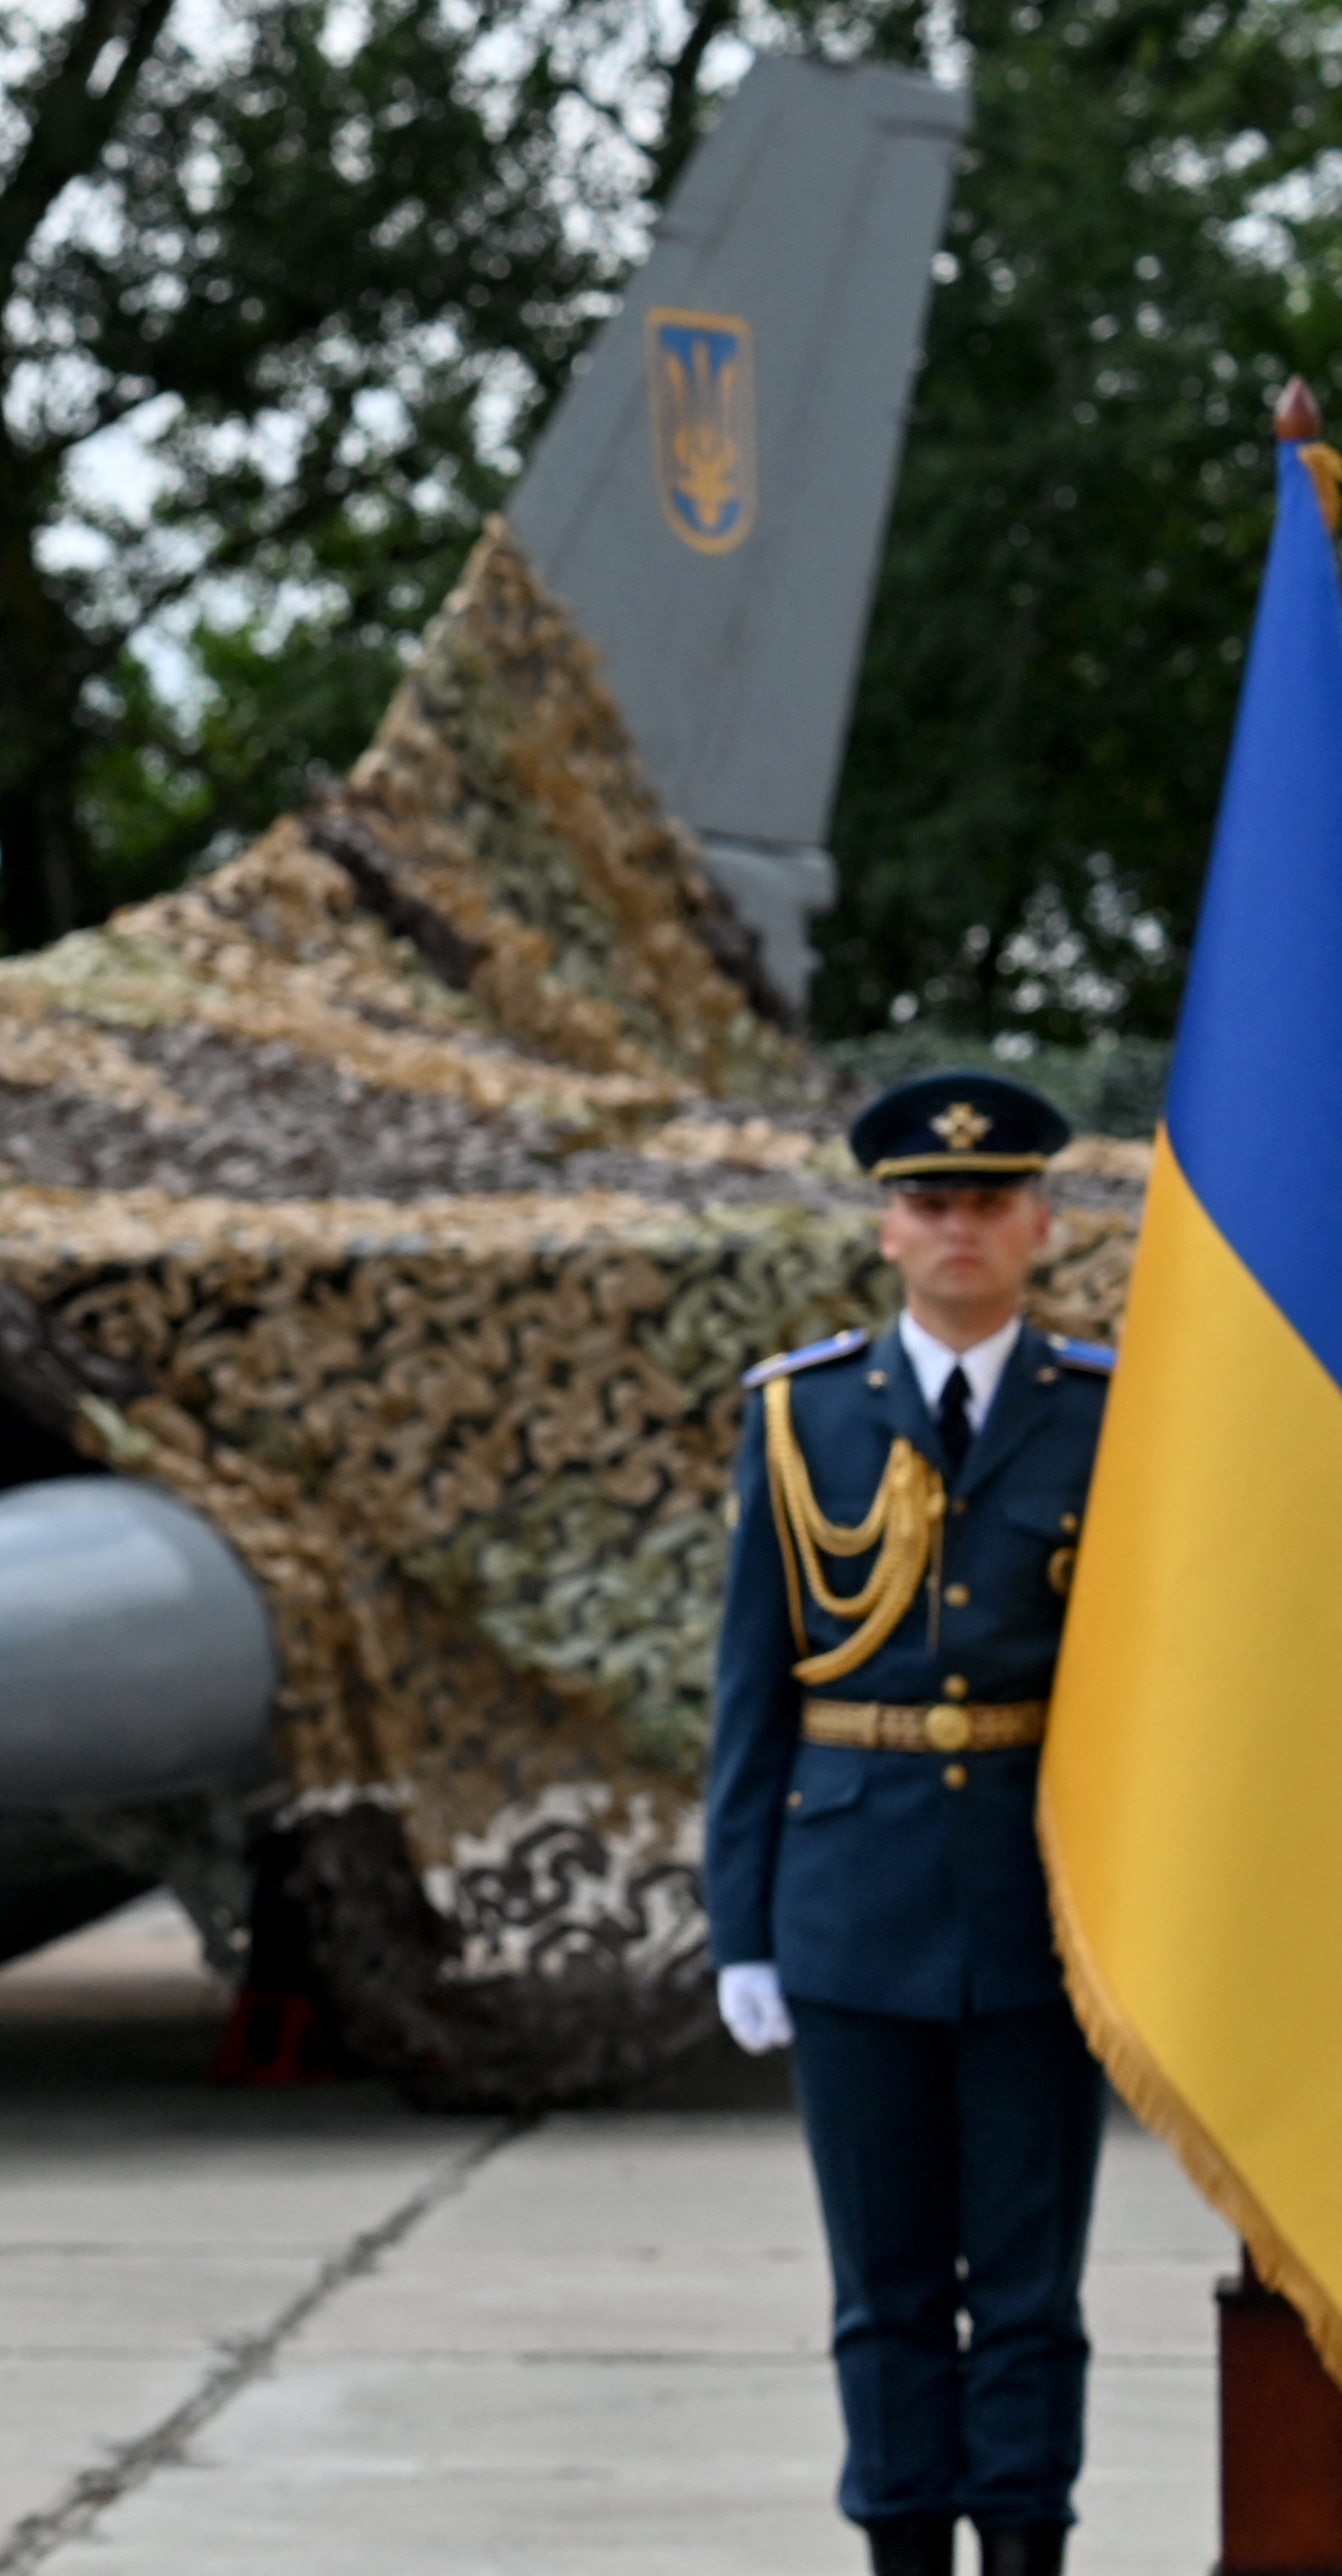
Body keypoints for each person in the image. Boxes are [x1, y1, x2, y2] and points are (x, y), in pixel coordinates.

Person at [707, 1070, 1111, 2576]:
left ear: (1038, 1225)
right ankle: (900, 2551)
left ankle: (1024, 2551)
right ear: (886, 1228)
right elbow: (752, 1690)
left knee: (1027, 2285)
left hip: (1036, 1909)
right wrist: (741, 1926)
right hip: (850, 1905)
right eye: (930, 1204)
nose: (960, 1229)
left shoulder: (1103, 1416)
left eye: (990, 1204)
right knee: (882, 2286)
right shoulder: (802, 1411)